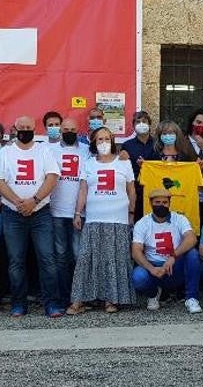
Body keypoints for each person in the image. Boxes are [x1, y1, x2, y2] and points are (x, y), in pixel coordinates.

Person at [0, 115, 62, 318]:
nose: (24, 130)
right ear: (14, 128)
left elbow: (52, 177)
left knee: (47, 259)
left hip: (41, 213)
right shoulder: (4, 152)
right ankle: (18, 303)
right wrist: (18, 203)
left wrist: (34, 200)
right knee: (16, 261)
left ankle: (52, 303)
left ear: (34, 129)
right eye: (20, 127)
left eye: (28, 127)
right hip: (12, 213)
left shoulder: (44, 150)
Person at [68, 127, 136, 314]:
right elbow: (83, 190)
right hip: (94, 219)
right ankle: (80, 299)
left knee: (113, 259)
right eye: (99, 139)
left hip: (118, 219)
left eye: (107, 138)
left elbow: (131, 190)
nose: (104, 142)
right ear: (94, 143)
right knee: (87, 259)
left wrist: (131, 213)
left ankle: (111, 300)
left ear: (112, 141)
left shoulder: (124, 162)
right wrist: (77, 213)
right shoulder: (88, 163)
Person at [130, 189, 203, 314]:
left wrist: (173, 256)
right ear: (150, 203)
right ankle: (153, 294)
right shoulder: (142, 223)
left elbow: (191, 238)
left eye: (165, 202)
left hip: (174, 266)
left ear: (169, 203)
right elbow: (136, 251)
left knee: (193, 254)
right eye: (157, 202)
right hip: (153, 267)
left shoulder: (179, 219)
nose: (161, 205)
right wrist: (151, 268)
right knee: (138, 277)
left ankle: (191, 298)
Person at [50, 117, 87, 307]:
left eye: (73, 129)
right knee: (60, 256)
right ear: (60, 130)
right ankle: (63, 296)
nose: (69, 132)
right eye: (66, 129)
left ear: (78, 129)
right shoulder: (50, 149)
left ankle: (79, 296)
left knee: (78, 255)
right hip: (56, 211)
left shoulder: (86, 150)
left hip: (79, 212)